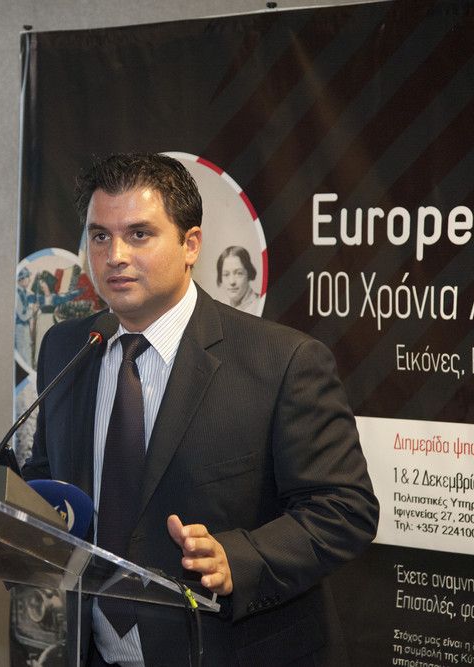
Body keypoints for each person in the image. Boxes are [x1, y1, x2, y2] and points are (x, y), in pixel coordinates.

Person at [22, 153, 378, 666]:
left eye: (139, 234)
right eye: (100, 236)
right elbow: (48, 481)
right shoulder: (65, 348)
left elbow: (345, 508)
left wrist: (240, 558)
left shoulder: (283, 361)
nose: (115, 255)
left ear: (191, 244)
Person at [216, 245, 260, 314]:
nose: (232, 282)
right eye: (226, 274)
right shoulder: (220, 308)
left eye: (239, 273)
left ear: (249, 273)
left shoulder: (259, 305)